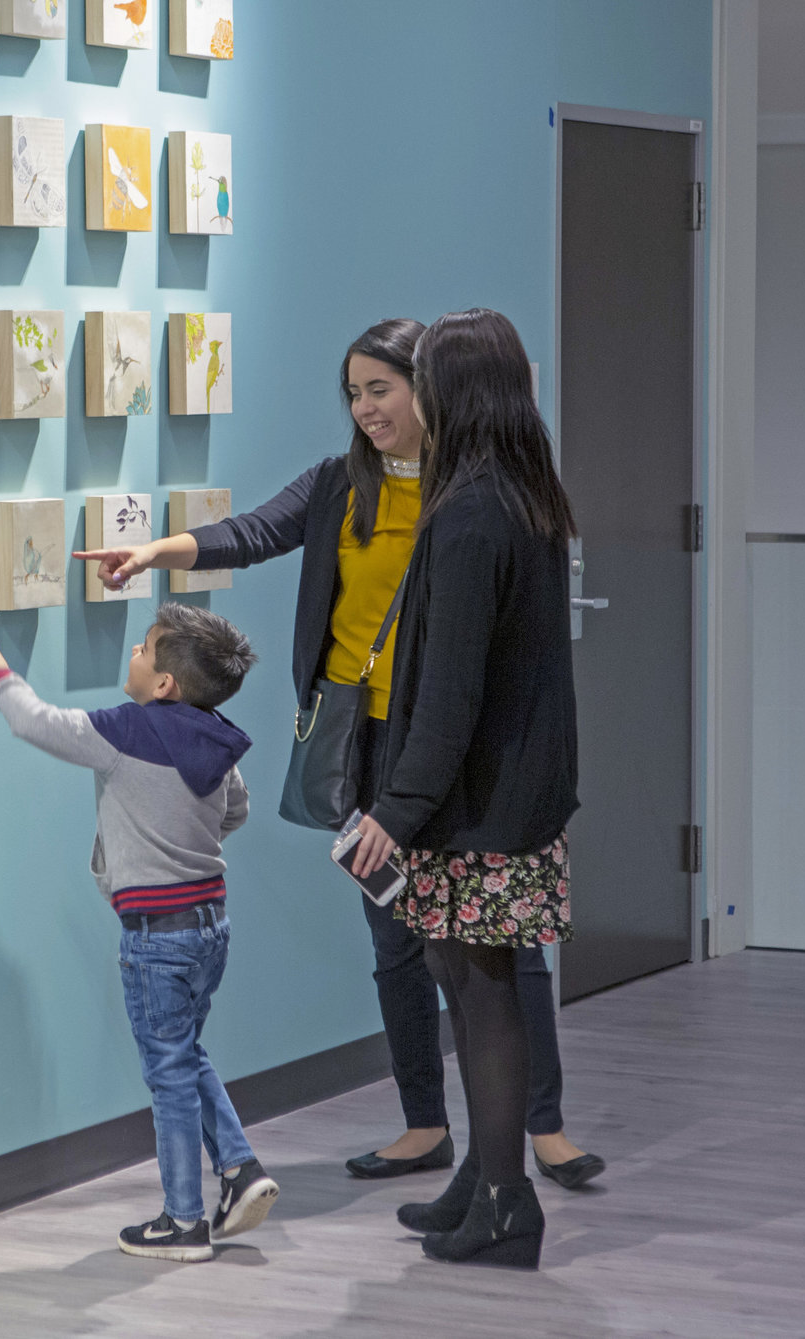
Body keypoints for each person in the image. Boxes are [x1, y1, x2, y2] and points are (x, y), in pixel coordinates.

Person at [76, 320, 602, 1204]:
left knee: (494, 948)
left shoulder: (472, 494)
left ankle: (533, 1129)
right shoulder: (340, 485)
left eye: (383, 389)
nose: (366, 410)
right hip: (370, 738)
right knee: (401, 937)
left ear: (428, 390)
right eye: (353, 394)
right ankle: (429, 1124)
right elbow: (254, 531)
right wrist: (159, 551)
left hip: (454, 745)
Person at [337, 307, 581, 1268]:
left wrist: (394, 814)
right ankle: (481, 1176)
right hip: (498, 796)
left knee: (480, 995)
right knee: (461, 979)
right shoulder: (514, 492)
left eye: (418, 377)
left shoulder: (475, 511)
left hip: (479, 805)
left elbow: (451, 689)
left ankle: (509, 1200)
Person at [0, 605, 281, 1263]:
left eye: (143, 649)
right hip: (209, 925)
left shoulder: (125, 730)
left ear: (163, 682)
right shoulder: (217, 740)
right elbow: (237, 810)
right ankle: (240, 1166)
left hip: (154, 935)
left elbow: (36, 722)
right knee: (183, 1050)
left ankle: (183, 1220)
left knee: (166, 1070)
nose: (133, 655)